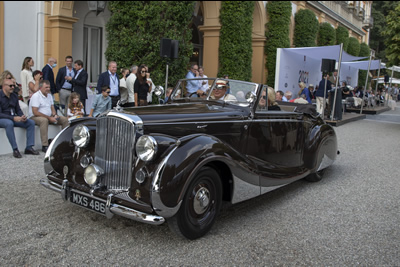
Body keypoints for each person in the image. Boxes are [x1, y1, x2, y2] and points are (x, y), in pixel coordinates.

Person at [0, 77, 39, 158]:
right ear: (4, 86)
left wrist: (22, 116)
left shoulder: (14, 96)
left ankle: (29, 147)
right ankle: (15, 149)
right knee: (9, 123)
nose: (13, 87)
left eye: (13, 86)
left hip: (14, 117)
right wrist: (13, 118)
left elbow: (18, 109)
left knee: (30, 122)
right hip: (3, 119)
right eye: (11, 86)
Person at [28, 80, 69, 152]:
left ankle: (64, 142)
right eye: (46, 87)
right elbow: (35, 112)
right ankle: (45, 145)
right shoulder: (36, 96)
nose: (48, 89)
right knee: (44, 120)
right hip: (35, 117)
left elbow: (52, 107)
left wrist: (54, 115)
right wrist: (49, 118)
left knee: (65, 119)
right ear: (40, 88)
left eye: (49, 87)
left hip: (48, 116)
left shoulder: (49, 96)